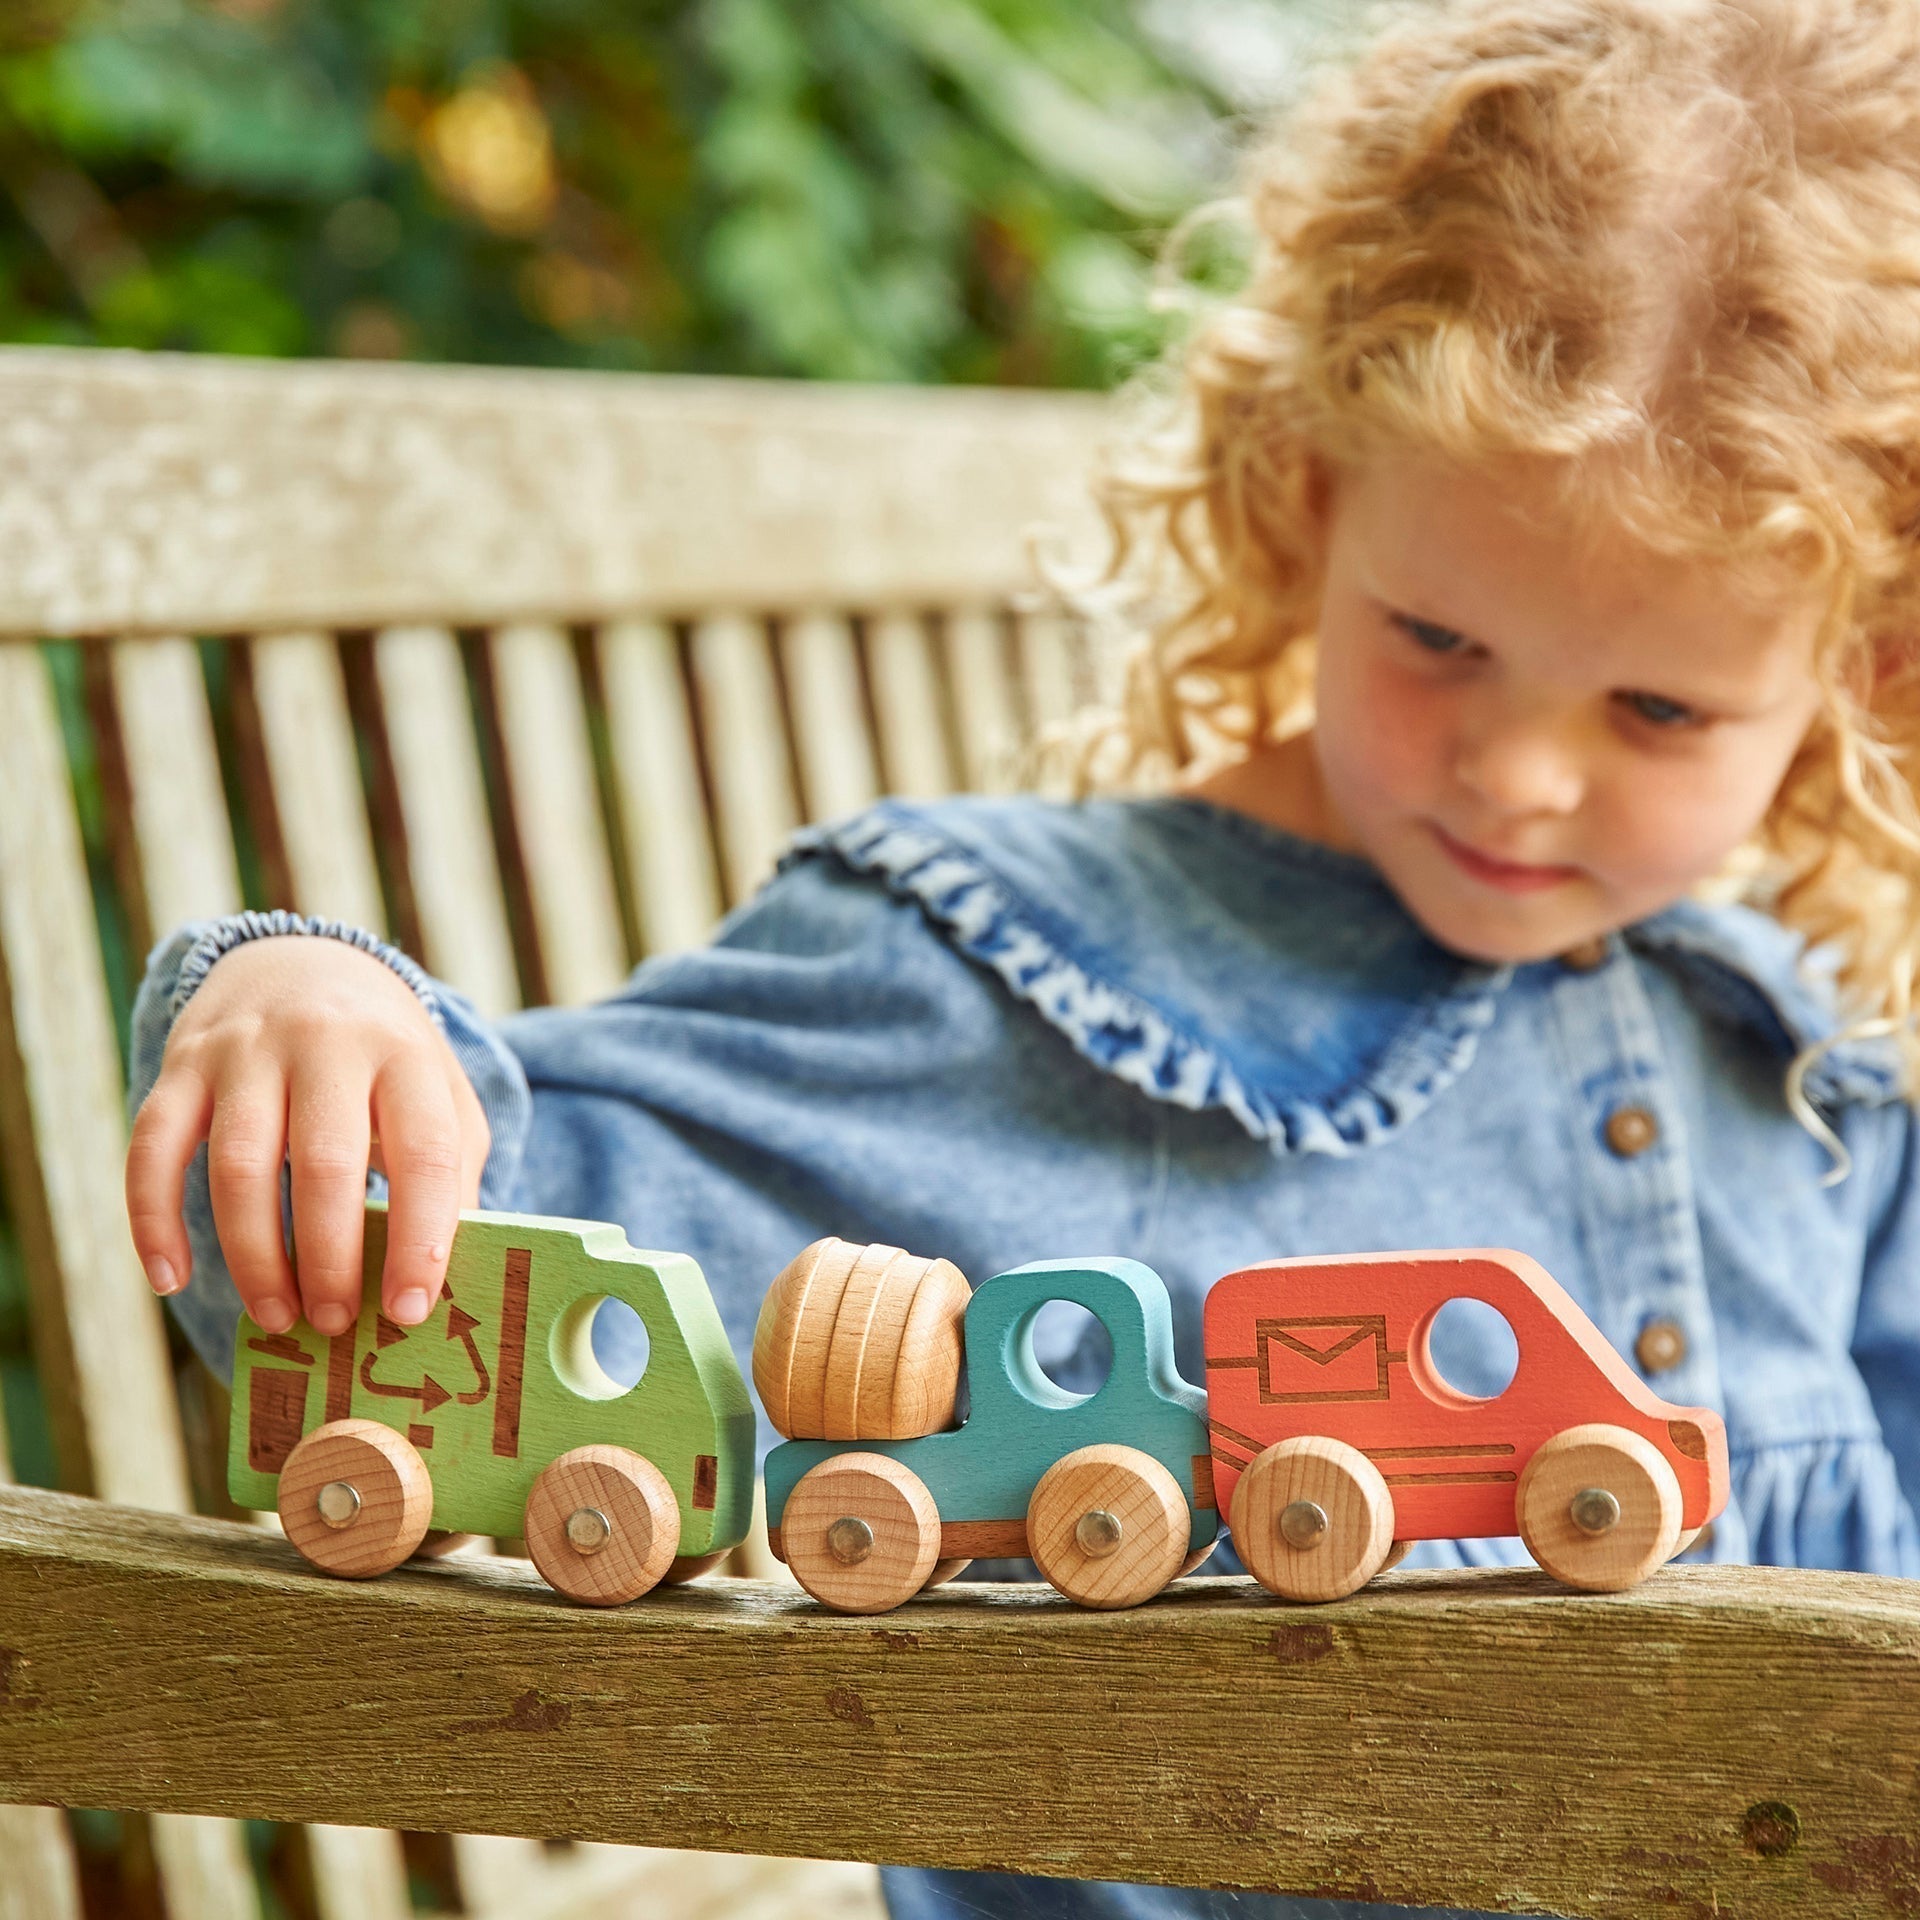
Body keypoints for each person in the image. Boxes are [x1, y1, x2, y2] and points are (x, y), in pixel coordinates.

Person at [124, 0, 1920, 1914]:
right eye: (1438, 639)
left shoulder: (1790, 1055)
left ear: (1857, 674)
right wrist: (312, 1007)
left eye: (1656, 710)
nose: (1522, 771)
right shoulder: (1008, 984)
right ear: (1312, 495)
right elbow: (427, 1305)